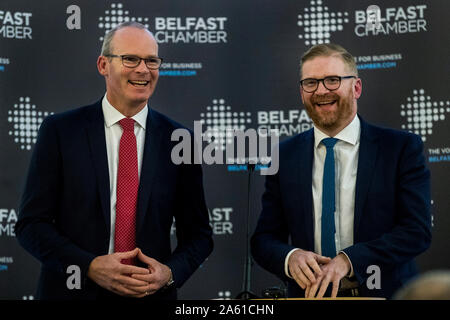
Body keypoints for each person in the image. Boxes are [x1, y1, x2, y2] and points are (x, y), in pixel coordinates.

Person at [15, 22, 213, 300]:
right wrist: (89, 266)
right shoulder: (60, 131)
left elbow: (199, 236)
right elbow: (31, 225)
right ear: (103, 65)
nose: (143, 70)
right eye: (130, 59)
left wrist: (169, 273)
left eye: (152, 61)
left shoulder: (181, 140)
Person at [251, 43, 431, 299]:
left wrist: (348, 260)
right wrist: (291, 257)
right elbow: (264, 239)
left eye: (332, 80)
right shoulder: (284, 155)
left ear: (356, 87)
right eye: (310, 83)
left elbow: (416, 231)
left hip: (386, 293)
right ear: (302, 93)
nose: (321, 91)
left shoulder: (400, 148)